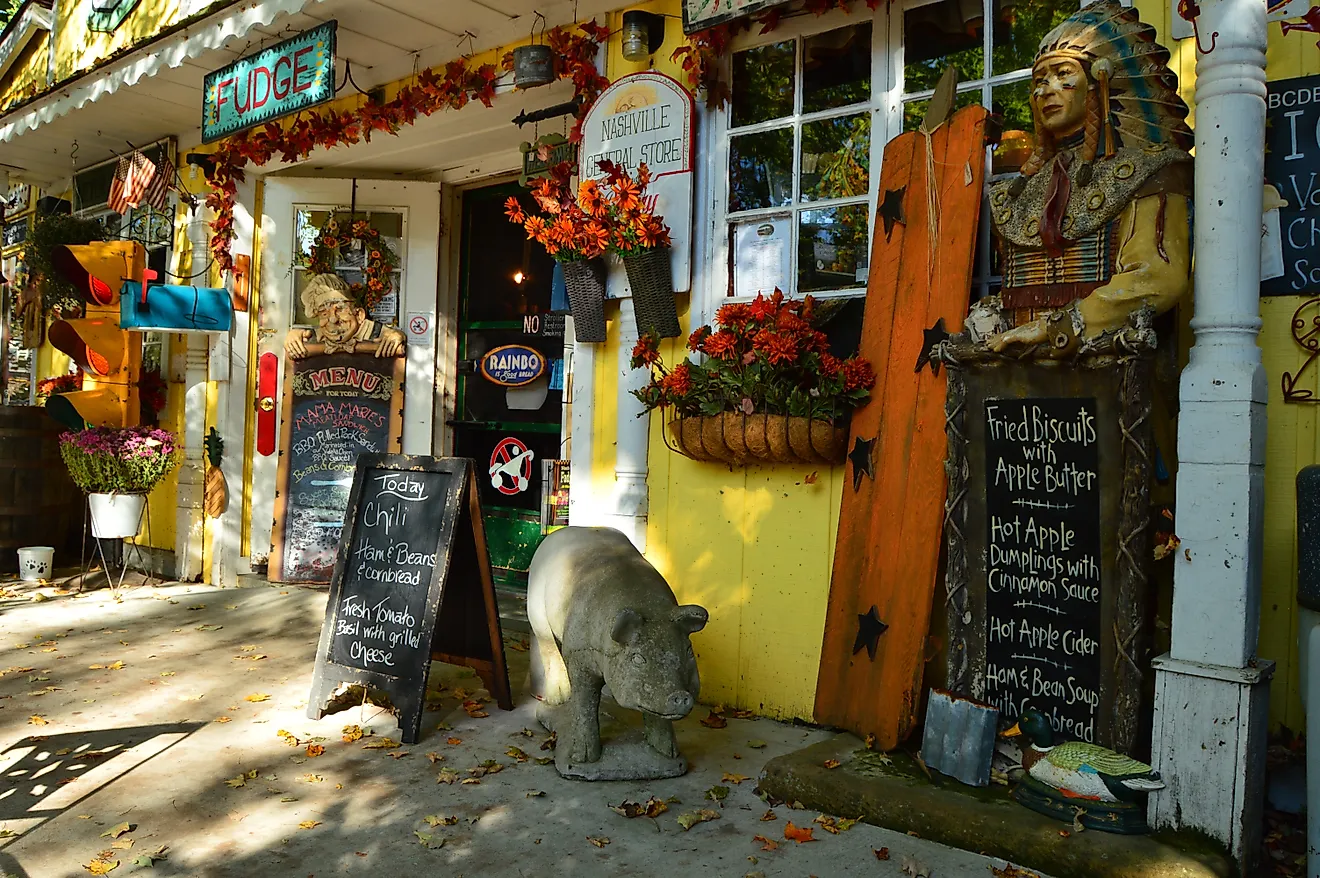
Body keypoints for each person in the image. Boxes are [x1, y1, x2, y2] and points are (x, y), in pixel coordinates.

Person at [981, 0, 1193, 355]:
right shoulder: (1017, 192)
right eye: (1039, 81)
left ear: (1098, 83)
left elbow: (1159, 278)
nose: (1046, 89)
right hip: (1017, 380)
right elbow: (1012, 291)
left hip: (1108, 376)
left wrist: (1055, 327)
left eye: (1064, 74)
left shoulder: (1150, 170)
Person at [284, 273, 405, 359]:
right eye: (324, 313)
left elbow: (393, 335)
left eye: (340, 309)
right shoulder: (318, 336)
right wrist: (293, 335)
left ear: (359, 315)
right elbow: (305, 336)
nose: (333, 319)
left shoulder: (373, 331)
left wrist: (398, 336)